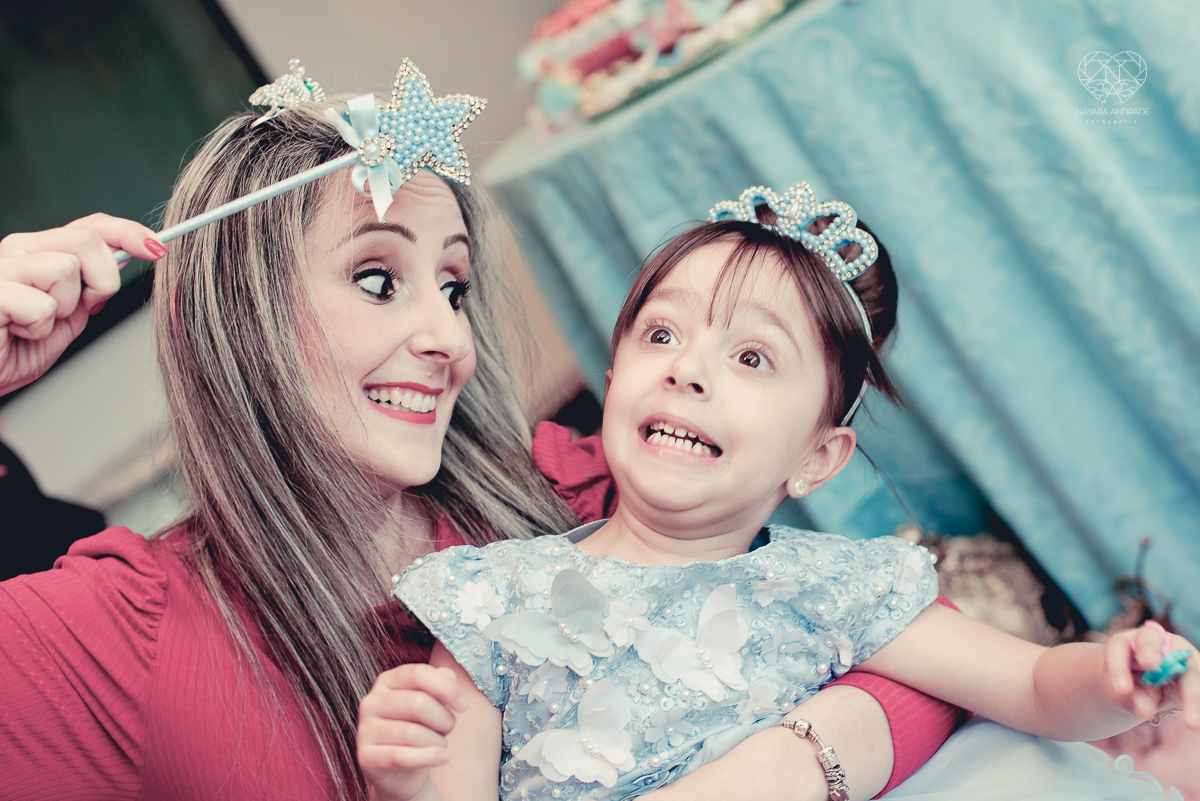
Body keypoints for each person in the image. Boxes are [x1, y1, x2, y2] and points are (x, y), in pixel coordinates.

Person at [0, 72, 964, 800]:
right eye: (380, 280)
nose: (447, 339)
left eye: (454, 287)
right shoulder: (113, 635)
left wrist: (771, 772)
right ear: (240, 312)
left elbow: (939, 660)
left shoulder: (562, 490)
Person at [366, 185, 1199, 801]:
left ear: (817, 458)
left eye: (752, 357)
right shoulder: (493, 593)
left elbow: (1032, 687)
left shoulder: (831, 591)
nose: (687, 369)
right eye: (663, 334)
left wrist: (1114, 678)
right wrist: (407, 774)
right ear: (615, 383)